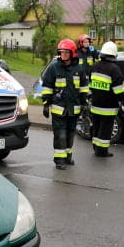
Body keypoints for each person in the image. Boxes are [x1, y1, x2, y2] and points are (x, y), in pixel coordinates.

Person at [41, 39, 89, 169]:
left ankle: (68, 157)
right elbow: (47, 87)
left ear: (72, 53)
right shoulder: (53, 68)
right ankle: (59, 160)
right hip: (59, 110)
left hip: (73, 109)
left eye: (66, 52)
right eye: (61, 52)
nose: (63, 55)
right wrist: (46, 104)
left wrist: (85, 103)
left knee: (70, 134)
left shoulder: (79, 69)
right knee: (60, 135)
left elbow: (84, 87)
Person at [87, 41, 124, 157]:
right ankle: (102, 151)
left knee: (96, 127)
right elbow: (119, 91)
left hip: (95, 105)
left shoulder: (94, 67)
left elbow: (90, 85)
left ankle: (95, 147)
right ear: (114, 54)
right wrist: (123, 102)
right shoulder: (114, 69)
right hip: (108, 107)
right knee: (105, 130)